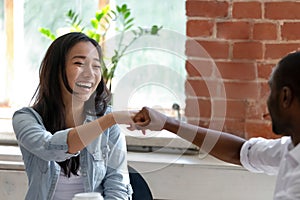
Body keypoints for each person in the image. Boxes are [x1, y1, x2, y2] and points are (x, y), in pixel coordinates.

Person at [131, 51, 300, 199]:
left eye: (271, 90)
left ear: (285, 97)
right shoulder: (290, 148)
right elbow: (240, 152)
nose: (267, 101)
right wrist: (168, 123)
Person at [12, 32, 133, 200]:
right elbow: (50, 149)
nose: (89, 73)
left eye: (96, 66)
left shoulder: (109, 122)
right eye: (79, 63)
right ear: (56, 69)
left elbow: (117, 187)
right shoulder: (26, 118)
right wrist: (108, 120)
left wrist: (109, 120)